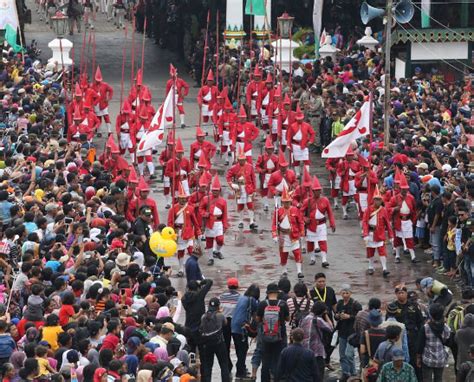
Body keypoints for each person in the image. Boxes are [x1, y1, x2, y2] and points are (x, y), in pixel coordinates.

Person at [256, 282, 290, 382]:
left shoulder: (263, 304)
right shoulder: (283, 304)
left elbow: (258, 319)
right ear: (277, 292)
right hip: (280, 336)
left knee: (265, 361)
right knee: (278, 360)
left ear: (267, 292)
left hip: (265, 336)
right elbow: (288, 319)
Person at [300, 175, 336, 267]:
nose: (318, 192)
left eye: (319, 190)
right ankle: (312, 258)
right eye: (316, 190)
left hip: (321, 224)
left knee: (323, 241)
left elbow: (330, 213)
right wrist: (304, 219)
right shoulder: (307, 201)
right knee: (310, 242)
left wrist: (332, 224)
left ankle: (324, 260)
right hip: (311, 225)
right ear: (313, 191)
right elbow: (300, 213)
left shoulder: (325, 200)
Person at [272, 187, 305, 278]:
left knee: (297, 253)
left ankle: (299, 271)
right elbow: (274, 224)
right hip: (283, 235)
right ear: (282, 202)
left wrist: (302, 232)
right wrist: (274, 234)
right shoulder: (278, 211)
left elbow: (301, 222)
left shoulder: (295, 210)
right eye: (285, 202)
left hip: (294, 235)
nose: (286, 203)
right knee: (283, 254)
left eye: (288, 202)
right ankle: (284, 270)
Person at [362, 185, 394, 277]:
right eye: (376, 199)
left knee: (382, 251)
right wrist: (365, 234)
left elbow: (387, 224)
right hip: (371, 233)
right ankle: (370, 267)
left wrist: (391, 236)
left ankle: (384, 268)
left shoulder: (383, 210)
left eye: (379, 199)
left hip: (380, 233)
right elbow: (364, 222)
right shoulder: (368, 209)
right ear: (373, 200)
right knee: (370, 251)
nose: (378, 201)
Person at [416, 303, 451, 382]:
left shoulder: (425, 327)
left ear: (431, 314)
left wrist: (418, 358)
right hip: (440, 359)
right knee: (438, 379)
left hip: (428, 359)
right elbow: (448, 341)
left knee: (426, 379)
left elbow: (420, 345)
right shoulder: (446, 328)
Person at [335, 283, 362, 381]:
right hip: (342, 332)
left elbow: (359, 317)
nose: (345, 295)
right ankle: (345, 373)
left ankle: (353, 373)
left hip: (352, 333)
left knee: (349, 354)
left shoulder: (355, 304)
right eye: (343, 293)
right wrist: (338, 316)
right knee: (342, 355)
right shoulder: (340, 303)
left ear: (350, 293)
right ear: (341, 293)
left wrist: (349, 317)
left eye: (347, 293)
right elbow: (336, 315)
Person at [300, 301, 333, 380]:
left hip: (304, 350)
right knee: (318, 375)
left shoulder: (304, 318)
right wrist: (326, 316)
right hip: (317, 352)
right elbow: (330, 328)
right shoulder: (318, 320)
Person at [199, 297, 230, 382]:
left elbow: (201, 328)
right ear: (218, 306)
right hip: (219, 343)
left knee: (208, 366)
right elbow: (225, 323)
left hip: (207, 344)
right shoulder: (220, 315)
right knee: (224, 365)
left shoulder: (203, 316)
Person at [182, 279, 213, 353]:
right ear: (198, 287)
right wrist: (201, 282)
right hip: (199, 328)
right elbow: (210, 282)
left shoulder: (183, 298)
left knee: (191, 351)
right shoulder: (200, 295)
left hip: (188, 327)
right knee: (202, 351)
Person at [218, 278, 241, 375]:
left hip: (225, 323)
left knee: (225, 345)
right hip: (235, 323)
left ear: (228, 286)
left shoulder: (222, 296)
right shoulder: (240, 297)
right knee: (238, 346)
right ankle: (240, 367)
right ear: (237, 286)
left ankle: (228, 365)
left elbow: (219, 309)